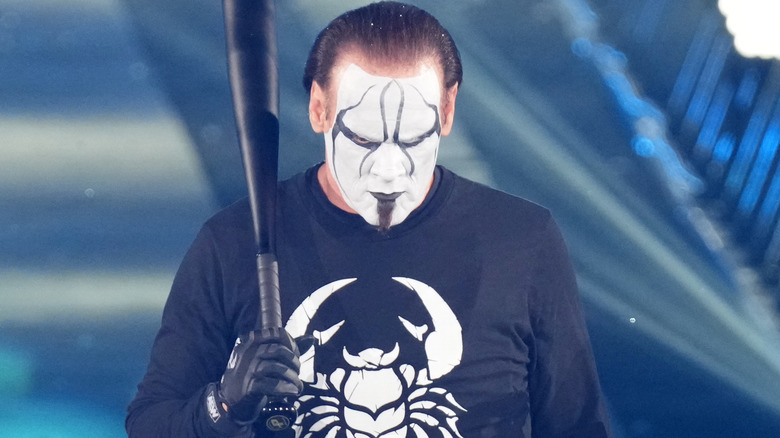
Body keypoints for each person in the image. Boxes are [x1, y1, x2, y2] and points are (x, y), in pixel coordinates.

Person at [126, 2, 612, 437]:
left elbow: (578, 427)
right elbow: (149, 424)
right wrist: (223, 406)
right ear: (319, 109)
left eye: (414, 138)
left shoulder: (522, 240)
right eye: (361, 139)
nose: (387, 170)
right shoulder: (230, 243)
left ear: (447, 110)